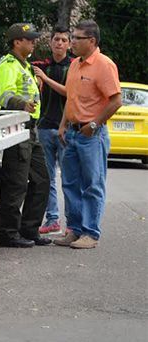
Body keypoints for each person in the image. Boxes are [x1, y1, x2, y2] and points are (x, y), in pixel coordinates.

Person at [55, 20, 122, 249]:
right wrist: (63, 125)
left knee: (92, 185)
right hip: (72, 134)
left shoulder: (104, 65)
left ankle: (91, 233)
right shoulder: (74, 65)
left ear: (91, 41)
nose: (71, 42)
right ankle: (74, 229)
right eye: (72, 37)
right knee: (70, 183)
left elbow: (116, 101)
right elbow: (70, 99)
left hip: (91, 135)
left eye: (76, 38)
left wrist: (94, 125)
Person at [0, 23, 52, 248]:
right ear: (17, 42)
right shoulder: (8, 65)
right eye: (29, 39)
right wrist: (22, 104)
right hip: (17, 128)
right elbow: (5, 96)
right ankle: (8, 234)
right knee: (16, 183)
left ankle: (29, 230)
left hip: (32, 129)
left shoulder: (25, 65)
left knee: (41, 181)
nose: (33, 42)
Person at [31, 28, 73, 235]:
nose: (59, 43)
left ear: (69, 44)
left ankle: (72, 224)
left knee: (69, 178)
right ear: (50, 42)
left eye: (64, 40)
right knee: (47, 178)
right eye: (56, 39)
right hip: (45, 127)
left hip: (65, 129)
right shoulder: (40, 66)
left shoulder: (74, 66)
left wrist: (45, 80)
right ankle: (52, 220)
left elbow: (69, 92)